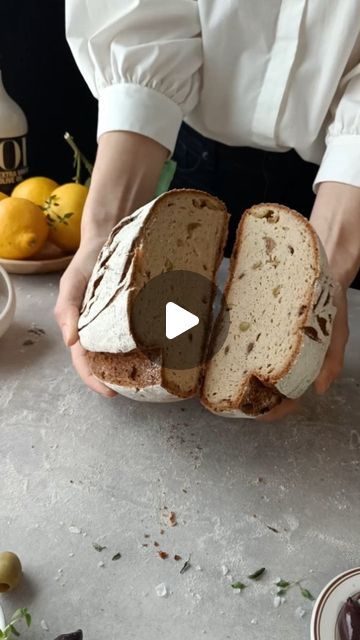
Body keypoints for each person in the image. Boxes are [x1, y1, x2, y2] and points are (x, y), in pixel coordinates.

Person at [56, 0, 360, 420]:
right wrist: (106, 230)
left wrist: (330, 268)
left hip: (342, 174)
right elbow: (144, 18)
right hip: (179, 140)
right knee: (179, 322)